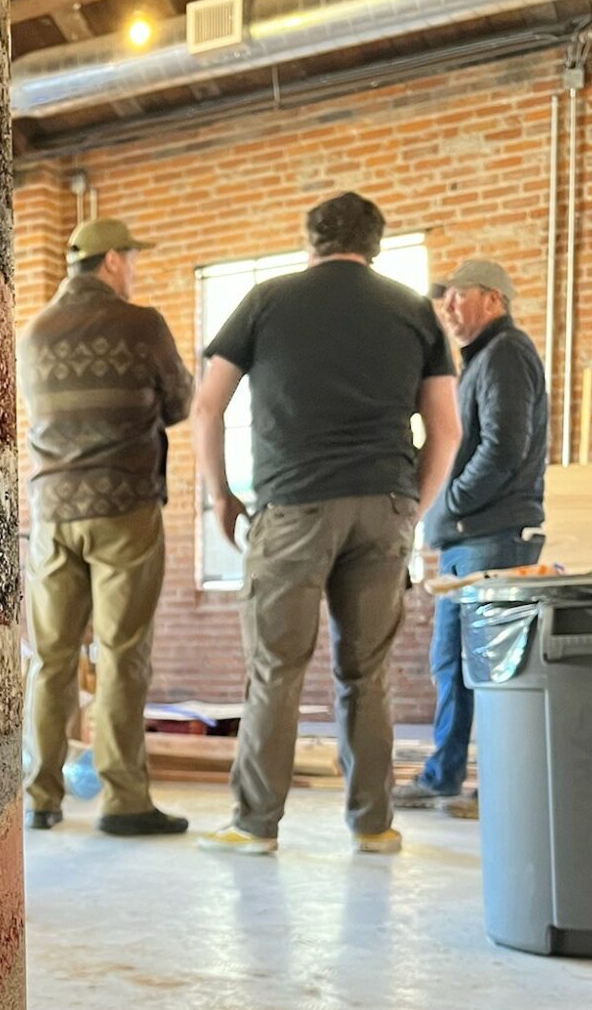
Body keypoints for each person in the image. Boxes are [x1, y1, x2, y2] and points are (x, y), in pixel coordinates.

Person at [191, 191, 462, 856]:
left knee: (277, 670)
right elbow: (447, 430)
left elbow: (205, 407)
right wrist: (410, 509)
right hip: (385, 507)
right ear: (374, 244)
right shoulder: (414, 311)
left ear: (309, 241)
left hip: (293, 507)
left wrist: (222, 496)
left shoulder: (266, 301)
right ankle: (373, 824)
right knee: (366, 672)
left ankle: (256, 826)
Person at [20, 216, 194, 837]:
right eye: (132, 258)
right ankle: (123, 800)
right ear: (113, 261)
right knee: (122, 655)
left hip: (52, 516)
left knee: (51, 659)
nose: (135, 268)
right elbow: (179, 403)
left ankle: (40, 796)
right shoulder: (141, 324)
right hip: (124, 509)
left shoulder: (33, 333)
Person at [396, 259, 548, 816]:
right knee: (453, 664)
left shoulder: (506, 354)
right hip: (469, 539)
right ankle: (444, 775)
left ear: (494, 300)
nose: (449, 308)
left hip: (493, 536)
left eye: (459, 297)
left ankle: (501, 787)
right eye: (446, 299)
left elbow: (505, 448)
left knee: (493, 666)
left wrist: (446, 502)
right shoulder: (482, 361)